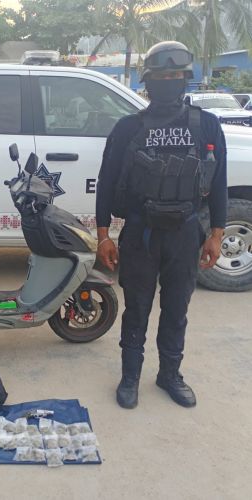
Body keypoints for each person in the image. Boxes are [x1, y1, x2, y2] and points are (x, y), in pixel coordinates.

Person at [96, 42, 227, 409]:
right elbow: (106, 182)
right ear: (148, 81)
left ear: (186, 79)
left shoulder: (207, 124)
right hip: (141, 233)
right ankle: (130, 377)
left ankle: (170, 375)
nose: (169, 81)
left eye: (176, 75)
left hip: (185, 232)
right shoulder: (127, 128)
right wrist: (103, 235)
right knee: (136, 309)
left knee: (176, 309)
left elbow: (218, 183)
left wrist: (217, 234)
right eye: (162, 76)